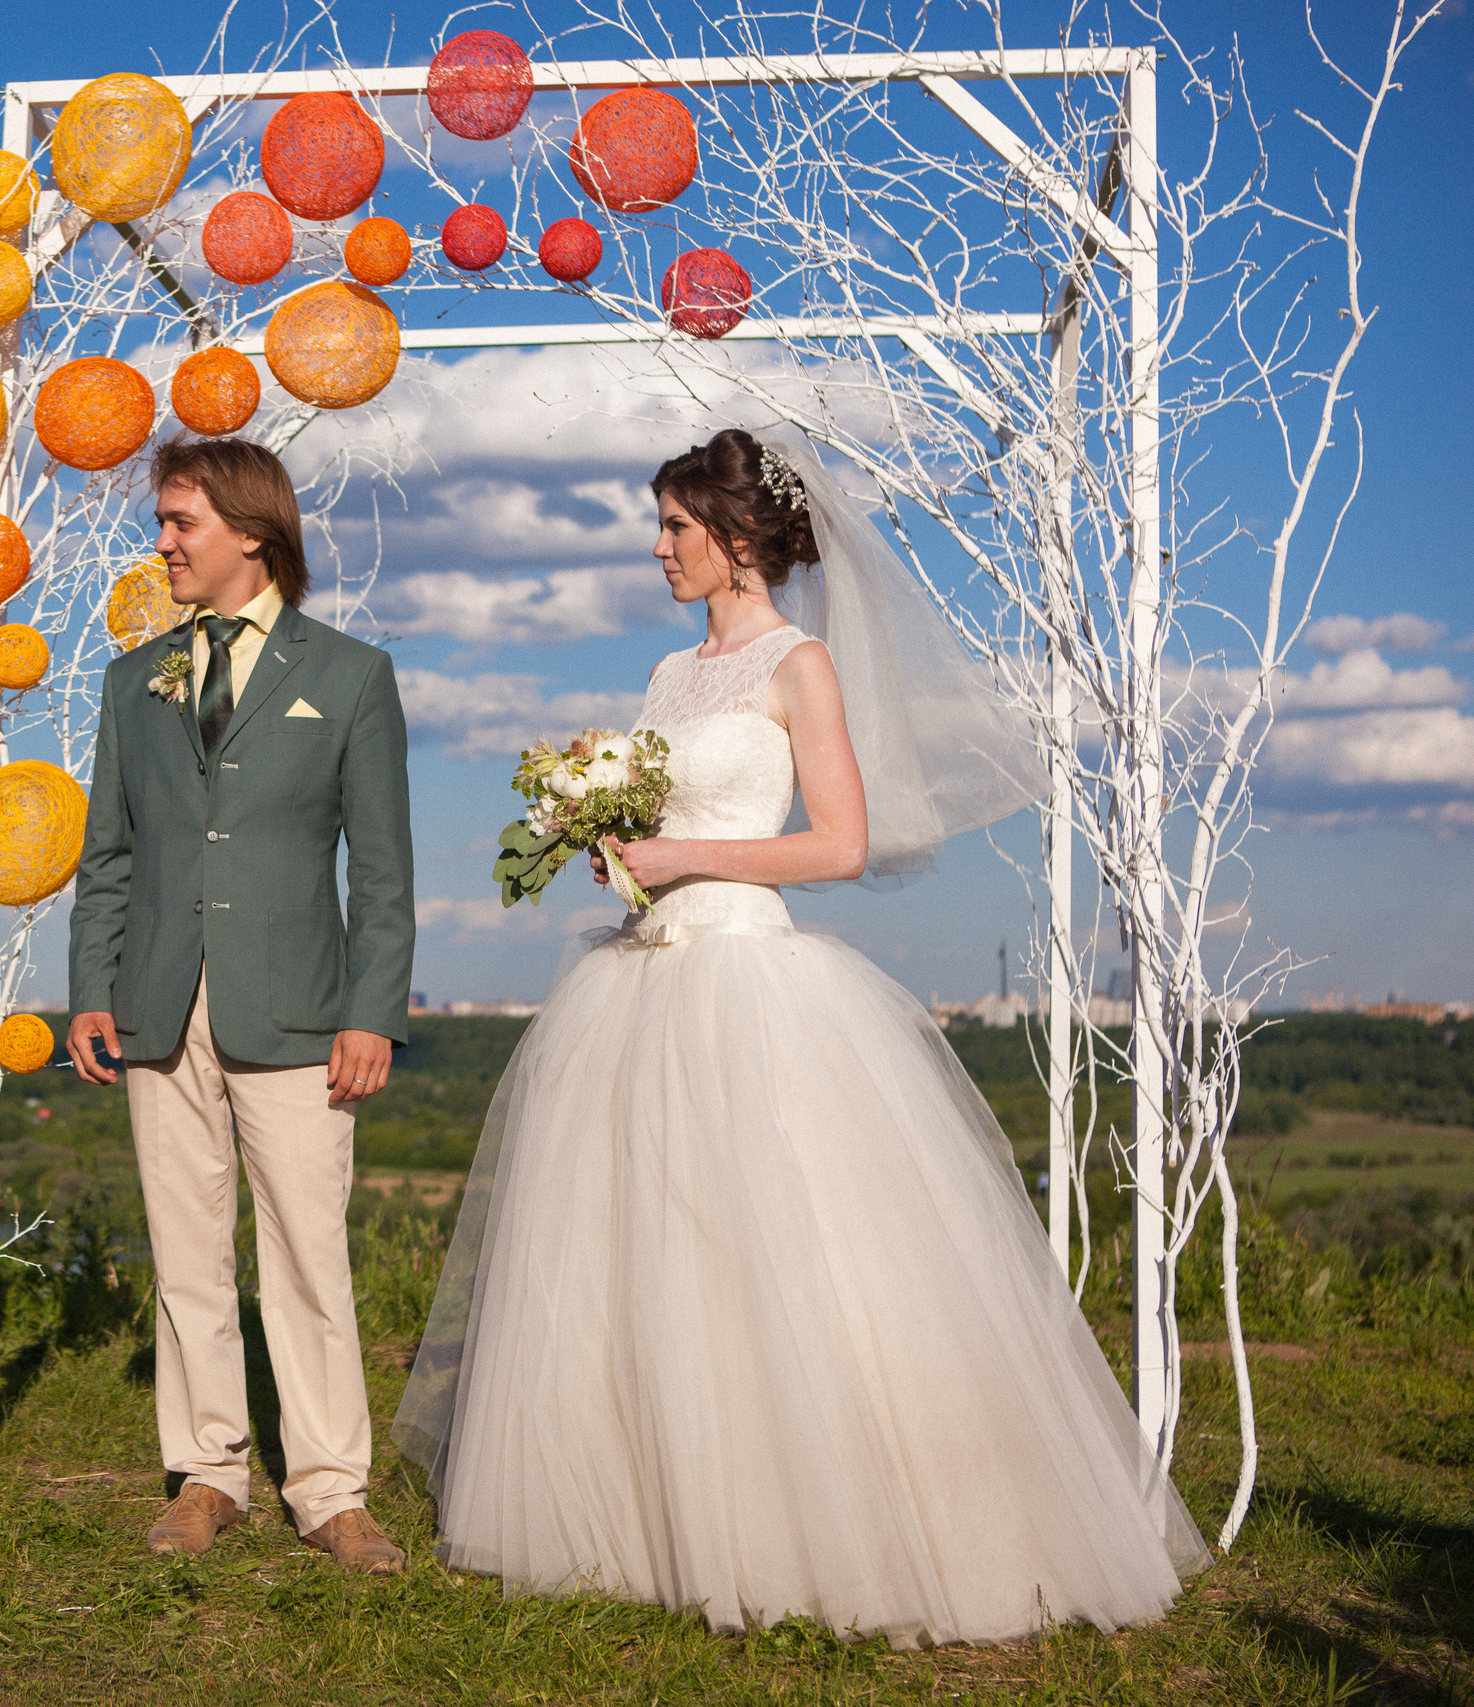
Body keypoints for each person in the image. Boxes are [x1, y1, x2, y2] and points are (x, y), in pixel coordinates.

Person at [394, 428, 1209, 1645]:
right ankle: (655, 1514)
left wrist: (683, 855)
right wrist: (607, 837)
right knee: (649, 1254)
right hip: (643, 977)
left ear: (738, 538)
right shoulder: (669, 679)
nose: (657, 547)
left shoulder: (800, 664)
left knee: (785, 1255)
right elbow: (660, 818)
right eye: (658, 525)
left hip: (746, 976)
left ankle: (822, 1524)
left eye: (675, 525)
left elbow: (837, 843)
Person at [67, 436, 414, 1573]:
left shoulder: (352, 676)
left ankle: (329, 1489)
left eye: (180, 524)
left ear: (250, 533)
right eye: (162, 523)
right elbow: (107, 856)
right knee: (185, 1254)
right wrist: (90, 991)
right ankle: (208, 1473)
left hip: (304, 1014)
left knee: (309, 1252)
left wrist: (372, 1011)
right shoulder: (136, 679)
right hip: (157, 1007)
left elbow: (383, 871)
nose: (162, 543)